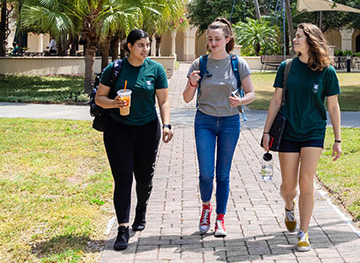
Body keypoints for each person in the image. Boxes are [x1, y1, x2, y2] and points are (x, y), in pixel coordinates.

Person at [262, 23, 341, 252]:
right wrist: (266, 132)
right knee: (289, 186)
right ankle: (289, 206)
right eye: (295, 37)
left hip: (314, 131)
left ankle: (304, 232)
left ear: (310, 41)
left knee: (307, 182)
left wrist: (337, 139)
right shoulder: (287, 67)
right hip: (288, 131)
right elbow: (276, 101)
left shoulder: (327, 71)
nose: (294, 40)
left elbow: (333, 107)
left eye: (298, 37)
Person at [95, 28, 174, 251]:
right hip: (117, 130)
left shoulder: (155, 69)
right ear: (129, 46)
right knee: (122, 179)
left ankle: (141, 209)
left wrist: (166, 124)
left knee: (144, 179)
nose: (145, 50)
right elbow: (100, 98)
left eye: (147, 45)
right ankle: (122, 228)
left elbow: (164, 101)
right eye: (140, 45)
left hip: (148, 130)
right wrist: (114, 104)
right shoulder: (115, 69)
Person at [183, 17, 255, 238]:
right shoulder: (199, 64)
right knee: (206, 173)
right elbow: (186, 98)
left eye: (217, 39)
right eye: (210, 39)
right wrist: (192, 83)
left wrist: (241, 101)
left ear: (227, 39)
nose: (213, 43)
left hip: (230, 122)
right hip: (204, 121)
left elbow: (251, 93)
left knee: (222, 174)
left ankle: (220, 219)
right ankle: (206, 208)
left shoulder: (238, 63)